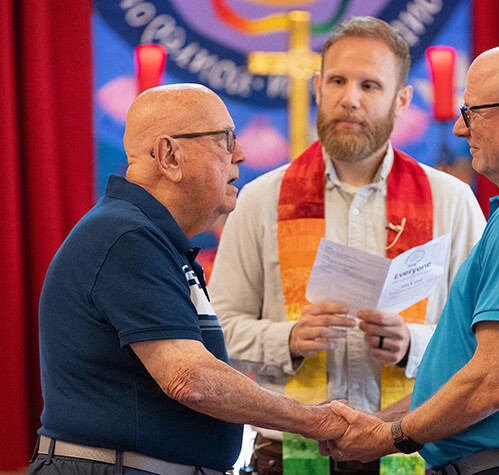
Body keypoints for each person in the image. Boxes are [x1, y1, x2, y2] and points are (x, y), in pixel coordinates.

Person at [208, 16, 485, 475]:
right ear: (318, 86)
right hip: (290, 455)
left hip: (410, 451)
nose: (349, 98)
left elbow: (482, 345)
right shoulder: (260, 200)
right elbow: (216, 335)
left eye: (370, 85)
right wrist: (288, 339)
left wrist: (412, 344)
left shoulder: (450, 201)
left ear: (402, 100)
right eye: (337, 80)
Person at [321, 43, 499, 475]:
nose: (460, 129)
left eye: (472, 112)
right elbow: (471, 368)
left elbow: (493, 383)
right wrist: (380, 421)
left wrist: (388, 438)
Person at [30, 84, 347, 475]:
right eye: (225, 139)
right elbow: (191, 379)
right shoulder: (126, 236)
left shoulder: (148, 236)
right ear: (169, 155)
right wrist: (318, 422)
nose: (241, 154)